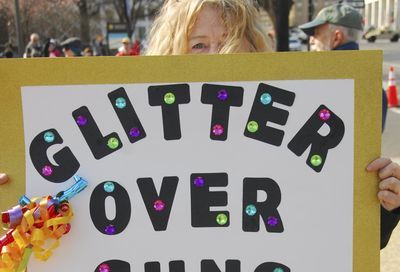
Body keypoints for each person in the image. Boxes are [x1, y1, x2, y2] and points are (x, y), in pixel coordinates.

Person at [299, 2, 399, 248]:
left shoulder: (319, 84)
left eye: (315, 35)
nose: (311, 42)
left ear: (335, 37)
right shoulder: (373, 88)